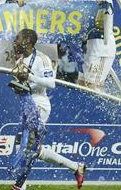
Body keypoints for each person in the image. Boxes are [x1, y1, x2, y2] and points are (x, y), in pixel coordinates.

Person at [9, 29, 85, 190]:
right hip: (27, 104)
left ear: (28, 41)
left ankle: (19, 186)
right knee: (31, 149)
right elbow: (25, 85)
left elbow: (51, 83)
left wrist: (28, 78)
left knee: (27, 147)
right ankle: (76, 167)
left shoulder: (42, 59)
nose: (15, 42)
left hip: (39, 105)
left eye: (18, 39)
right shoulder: (20, 59)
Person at [80, 0, 115, 90]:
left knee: (93, 88)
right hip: (91, 48)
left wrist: (101, 7)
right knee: (82, 83)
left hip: (102, 50)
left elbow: (105, 11)